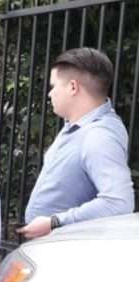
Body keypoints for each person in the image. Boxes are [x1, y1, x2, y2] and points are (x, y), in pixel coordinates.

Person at [19, 47, 134, 239]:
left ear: (73, 87)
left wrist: (55, 222)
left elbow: (119, 202)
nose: (50, 94)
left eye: (54, 86)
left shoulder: (99, 135)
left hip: (67, 249)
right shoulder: (77, 126)